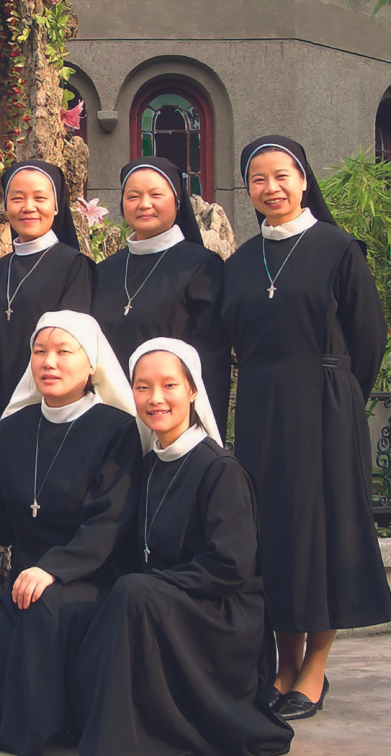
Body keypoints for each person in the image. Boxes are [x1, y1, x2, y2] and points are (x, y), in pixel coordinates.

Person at [222, 136, 391, 719]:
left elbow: (369, 339)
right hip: (264, 409)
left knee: (322, 537)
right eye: (258, 179)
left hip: (324, 409)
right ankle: (283, 664)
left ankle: (313, 671)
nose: (271, 188)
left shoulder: (339, 248)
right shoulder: (242, 261)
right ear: (248, 190)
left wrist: (339, 395)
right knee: (273, 536)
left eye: (282, 175)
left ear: (303, 179)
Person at [72, 337, 294, 756]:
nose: (155, 398)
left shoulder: (220, 470)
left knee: (134, 592)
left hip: (221, 612)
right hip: (169, 600)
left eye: (169, 385)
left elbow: (231, 566)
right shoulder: (151, 462)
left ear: (193, 390)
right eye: (142, 387)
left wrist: (156, 584)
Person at [0, 311, 142, 756]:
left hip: (90, 576)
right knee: (5, 633)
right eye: (39, 351)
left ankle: (51, 731)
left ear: (91, 364)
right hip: (29, 578)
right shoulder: (16, 428)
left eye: (63, 352)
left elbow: (111, 521)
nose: (49, 362)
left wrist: (53, 569)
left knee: (45, 607)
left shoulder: (117, 429)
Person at [91, 157, 230, 431]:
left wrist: (200, 429)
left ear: (177, 202)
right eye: (133, 196)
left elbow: (211, 360)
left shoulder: (201, 266)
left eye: (156, 194)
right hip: (111, 418)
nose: (144, 204)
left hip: (171, 420)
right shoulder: (103, 271)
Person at [0, 160, 93, 445]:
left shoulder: (74, 267)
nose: (28, 207)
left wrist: (18, 413)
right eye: (17, 198)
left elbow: (67, 352)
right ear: (6, 206)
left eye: (40, 198)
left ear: (56, 205)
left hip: (50, 412)